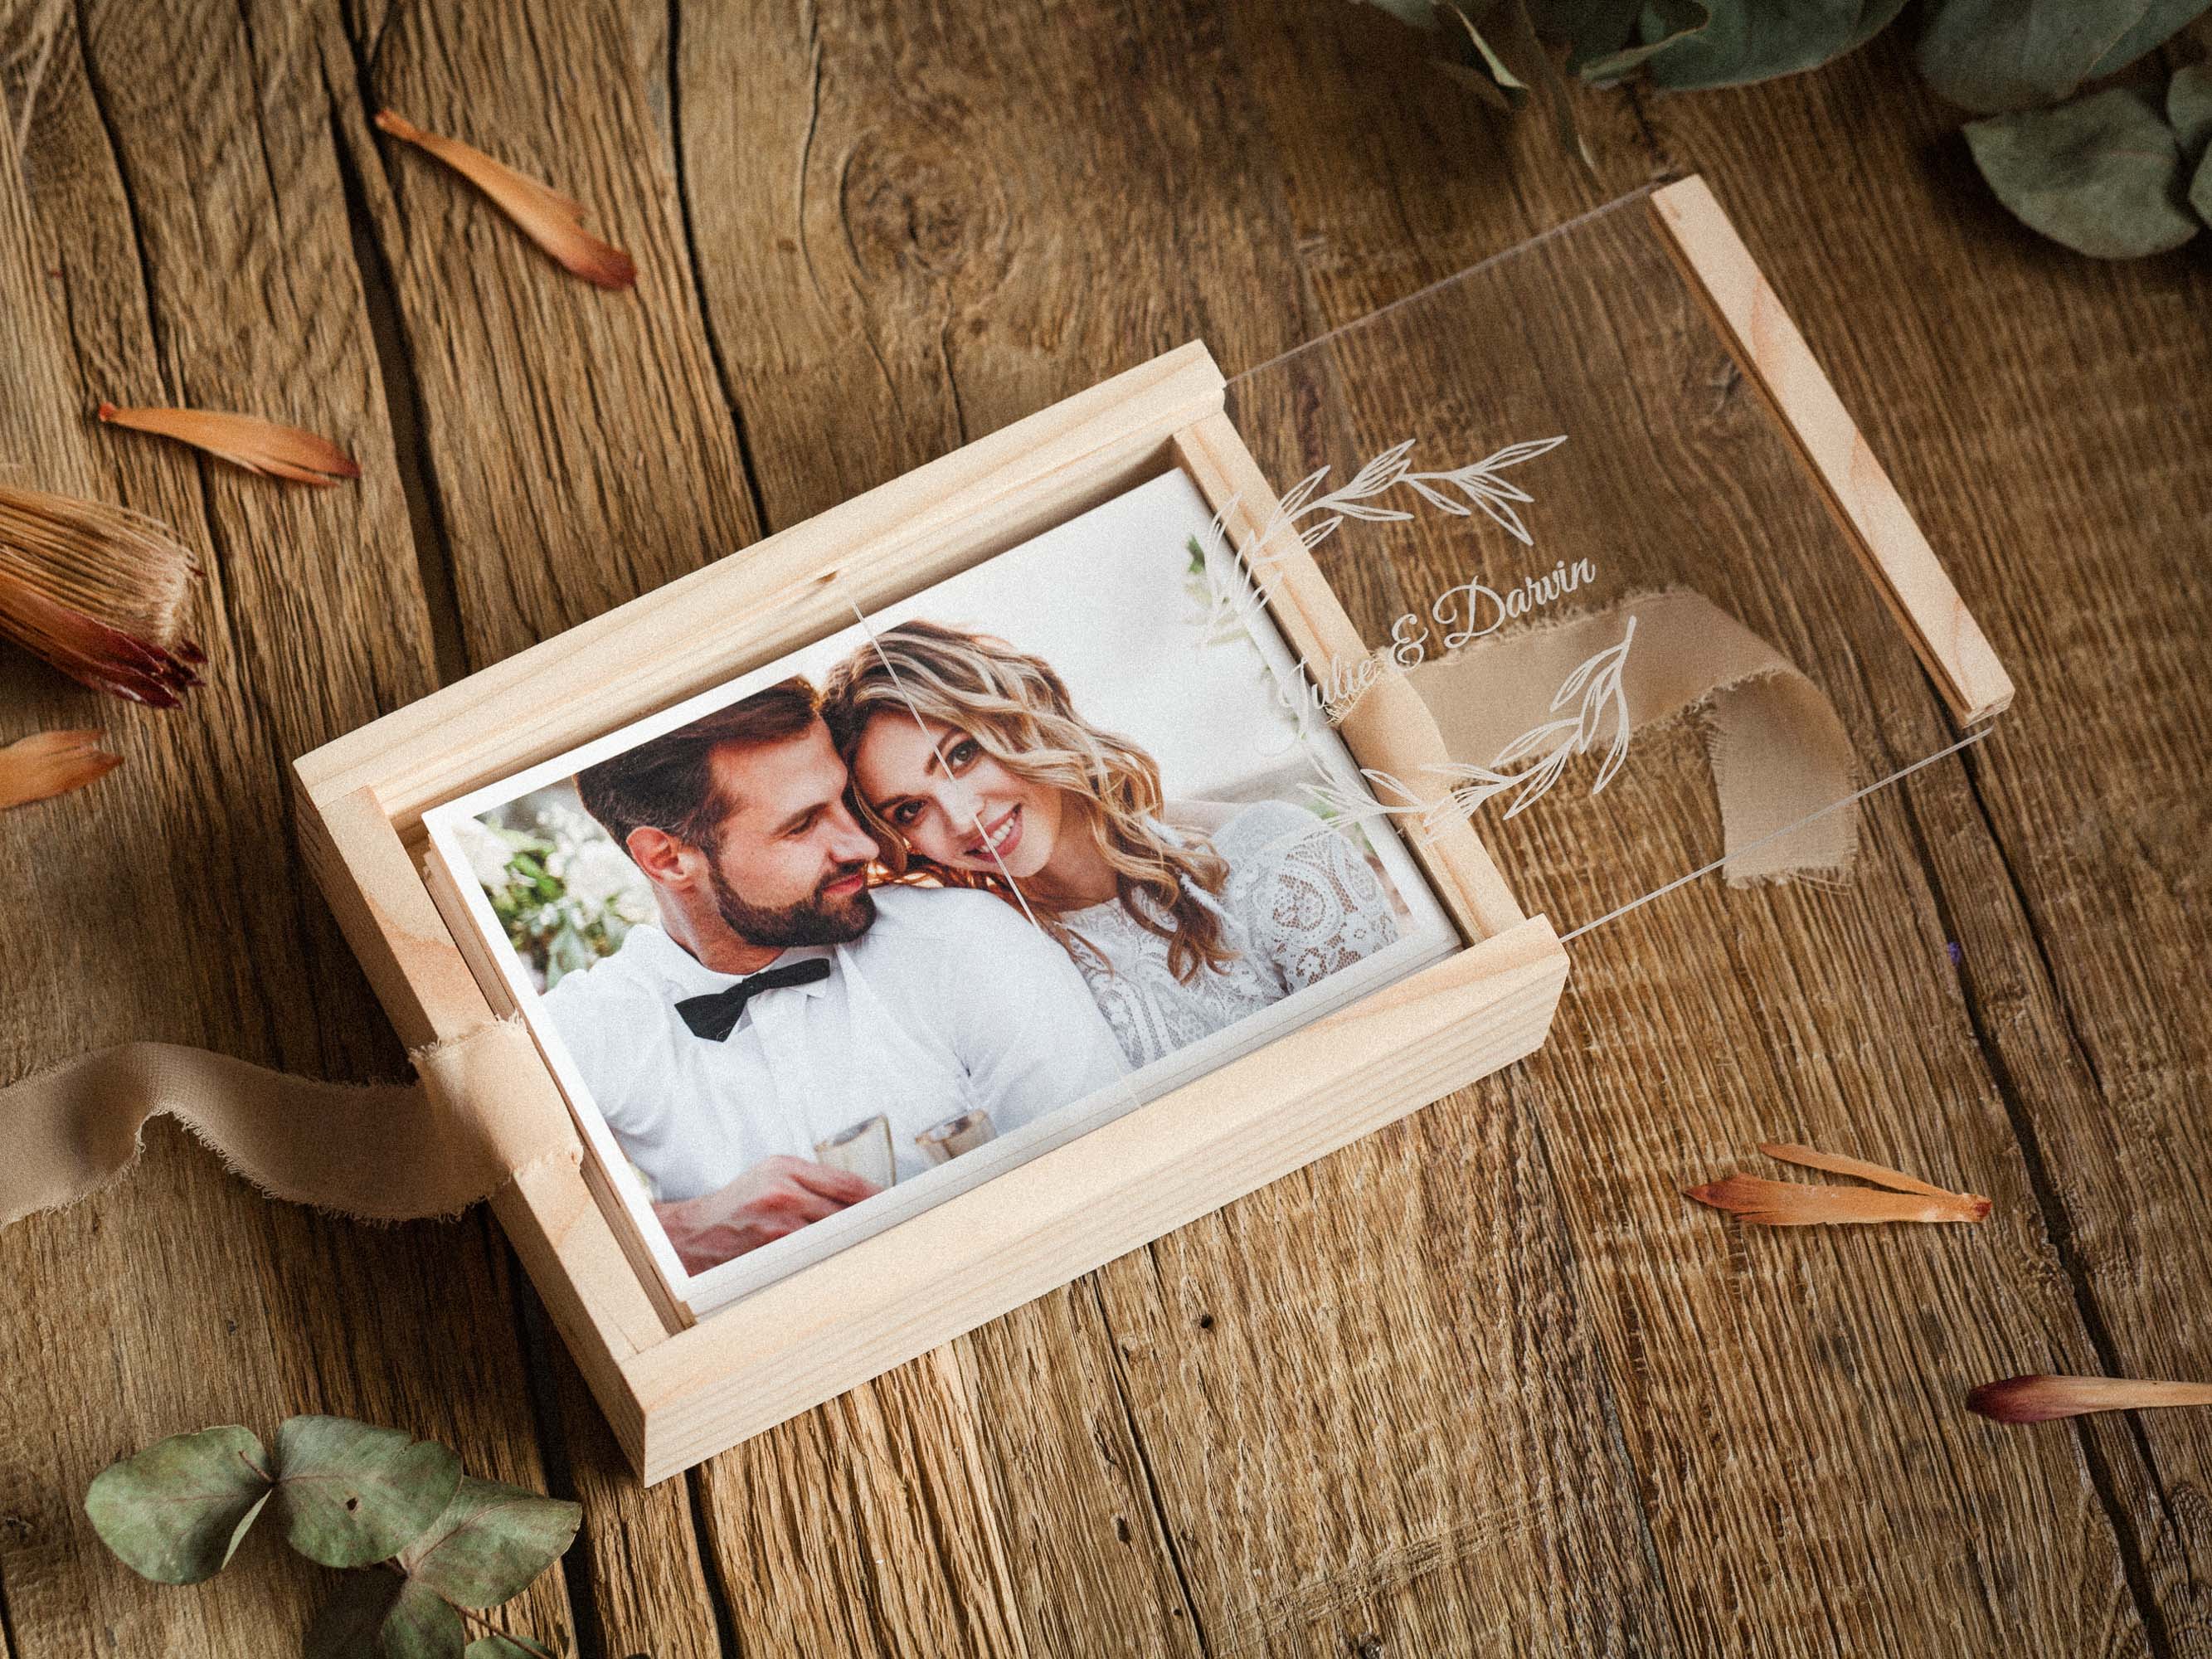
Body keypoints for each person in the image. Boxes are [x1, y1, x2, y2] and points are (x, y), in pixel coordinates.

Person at [542, 675, 1126, 1273]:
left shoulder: (959, 941)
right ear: (667, 860)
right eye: (801, 825)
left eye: (845, 800)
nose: (861, 846)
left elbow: (1111, 1167)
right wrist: (672, 1235)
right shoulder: (583, 1025)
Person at [819, 621, 1402, 1072]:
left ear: (1024, 714)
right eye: (910, 809)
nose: (962, 816)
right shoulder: (987, 955)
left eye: (962, 754)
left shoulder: (1278, 856)